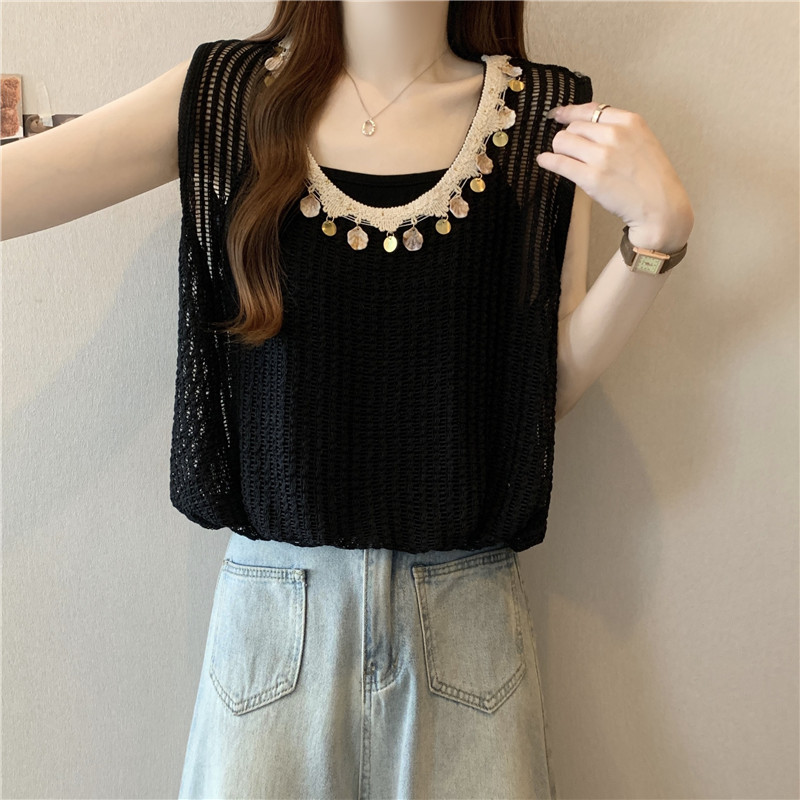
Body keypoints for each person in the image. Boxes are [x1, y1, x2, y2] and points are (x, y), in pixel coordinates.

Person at [1, 1, 694, 797]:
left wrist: (655, 240)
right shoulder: (227, 96)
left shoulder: (545, 114)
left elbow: (535, 392)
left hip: (465, 624)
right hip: (275, 627)